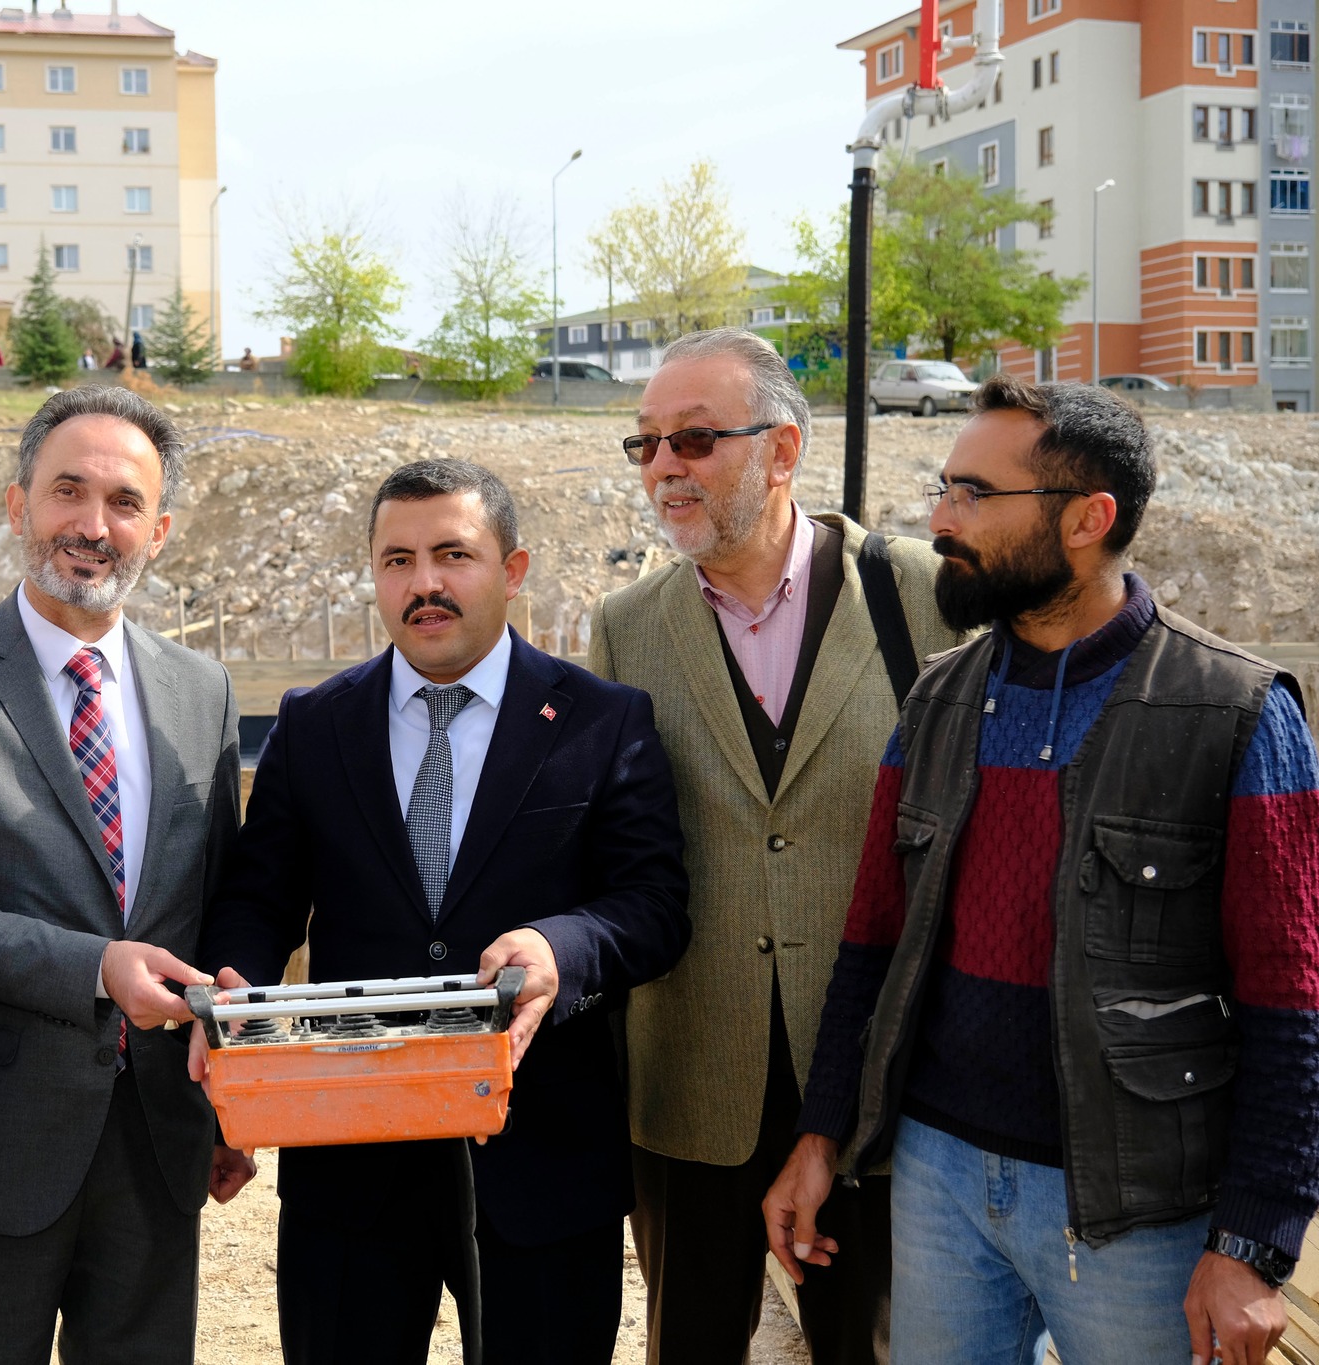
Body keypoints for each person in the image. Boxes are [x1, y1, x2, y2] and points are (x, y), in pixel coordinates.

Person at [765, 375, 1319, 1364]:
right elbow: (871, 943)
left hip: (1137, 1214)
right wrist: (818, 1138)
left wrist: (1252, 1244)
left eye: (975, 493)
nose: (940, 517)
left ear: (1087, 518)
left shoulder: (1234, 712)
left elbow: (1292, 1005)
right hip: (935, 1183)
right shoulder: (934, 699)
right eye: (944, 486)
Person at [197, 458, 692, 1365]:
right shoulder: (313, 725)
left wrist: (558, 945)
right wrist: (237, 990)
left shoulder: (602, 719)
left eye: (453, 554)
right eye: (397, 560)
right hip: (347, 1163)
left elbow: (654, 905)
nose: (423, 583)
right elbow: (257, 896)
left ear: (514, 569)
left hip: (540, 1160)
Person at [0, 386, 247, 1365]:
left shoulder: (202, 691)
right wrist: (96, 968)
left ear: (158, 529)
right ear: (18, 504)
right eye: (67, 491)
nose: (91, 525)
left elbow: (215, 906)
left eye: (121, 502)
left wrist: (237, 1084)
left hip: (159, 1139)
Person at [589, 327, 960, 1365]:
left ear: (782, 450)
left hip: (879, 1089)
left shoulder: (919, 597)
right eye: (647, 444)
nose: (664, 466)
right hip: (689, 1083)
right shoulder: (622, 626)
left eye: (694, 440)